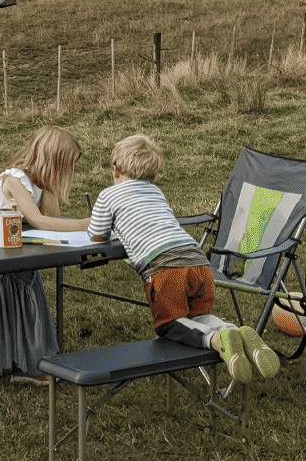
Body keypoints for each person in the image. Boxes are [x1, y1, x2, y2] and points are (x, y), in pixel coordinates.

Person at [88, 134, 279, 383]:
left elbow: (96, 236)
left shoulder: (108, 196)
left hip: (166, 269)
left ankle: (215, 340)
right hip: (198, 262)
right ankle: (236, 333)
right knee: (197, 317)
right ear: (154, 176)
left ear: (115, 170)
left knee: (169, 325)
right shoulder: (156, 192)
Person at [0, 125, 91, 384]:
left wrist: (49, 186)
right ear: (53, 159)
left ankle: (24, 361)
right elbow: (40, 221)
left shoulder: (39, 182)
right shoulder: (15, 179)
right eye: (66, 165)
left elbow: (53, 217)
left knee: (26, 302)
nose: (68, 172)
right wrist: (87, 223)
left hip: (20, 255)